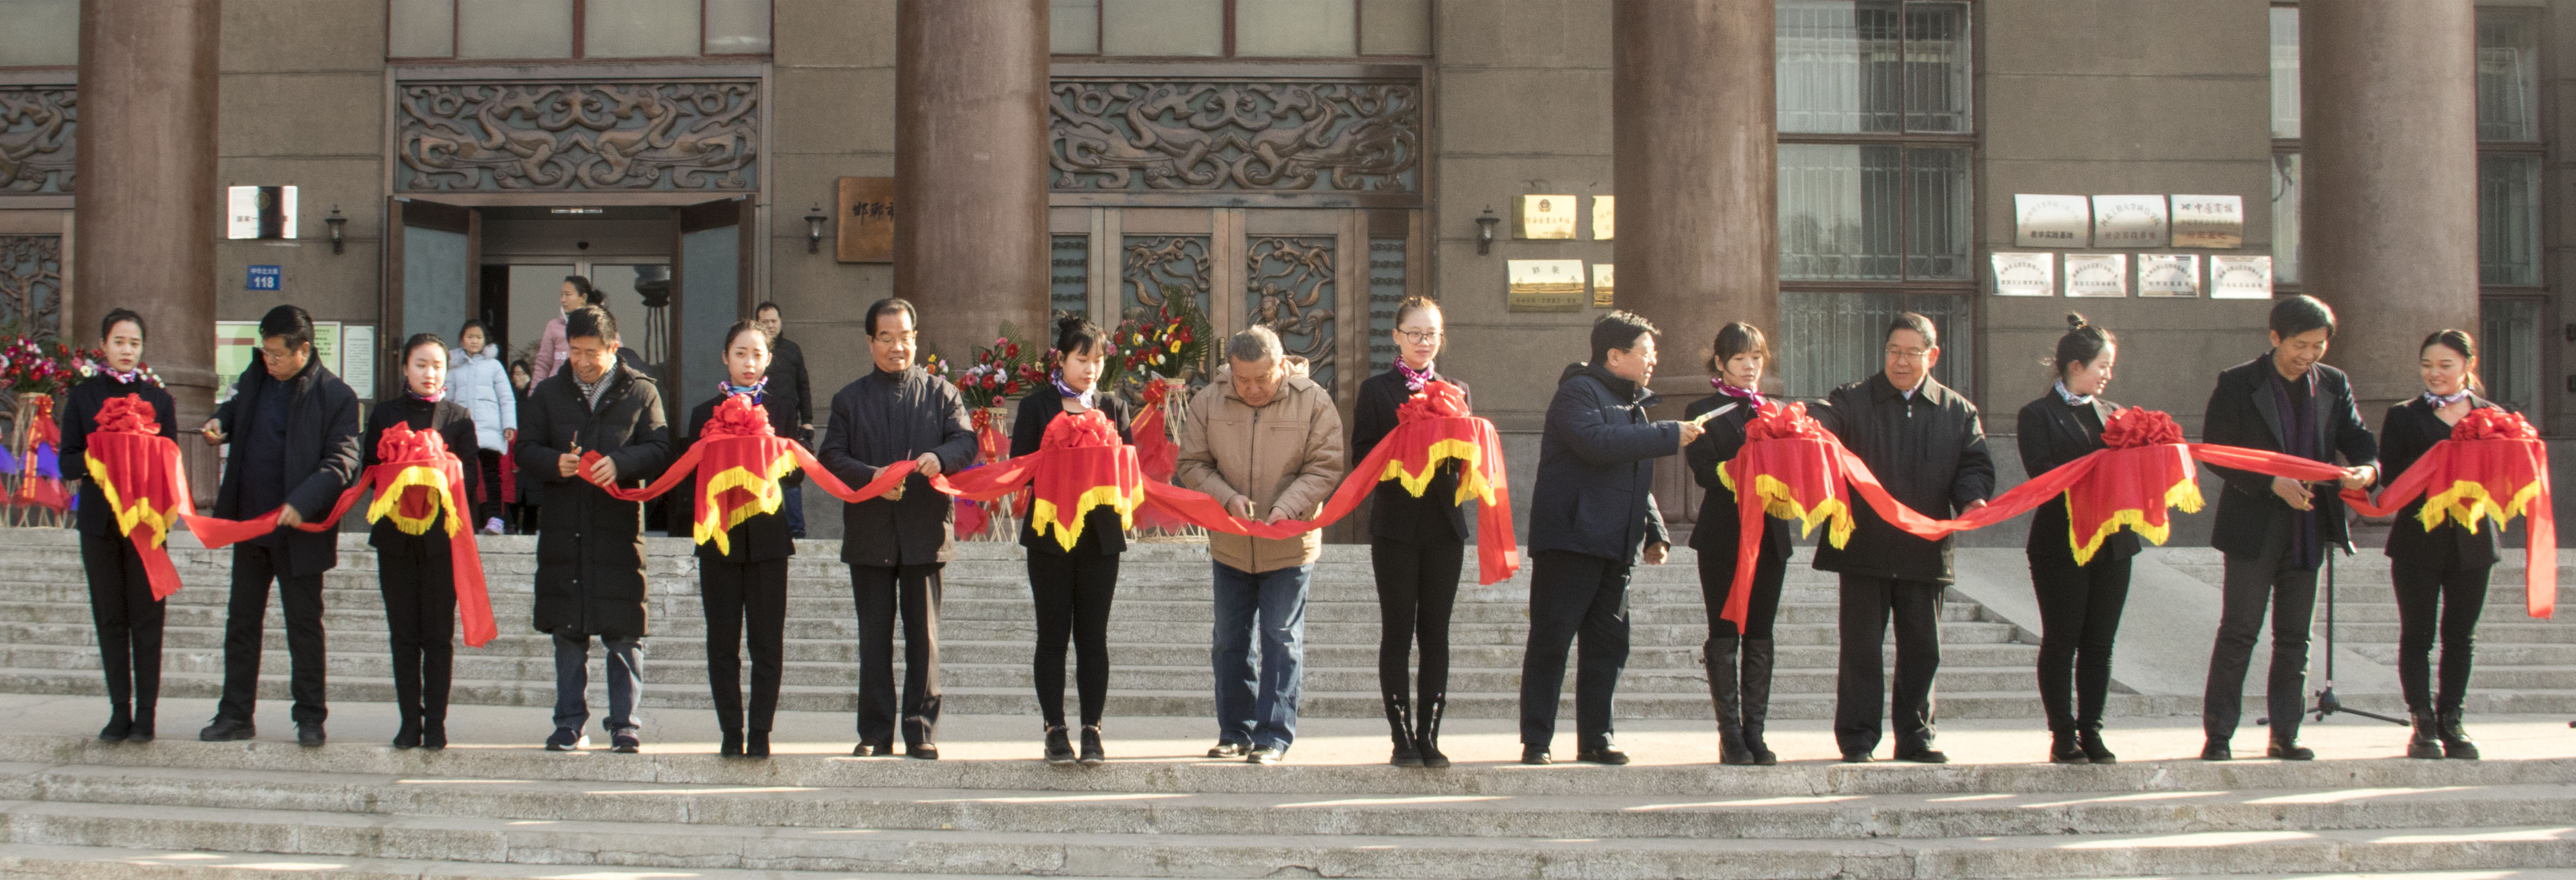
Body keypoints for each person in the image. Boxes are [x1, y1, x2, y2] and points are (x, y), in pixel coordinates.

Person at [2198, 295, 2377, 762]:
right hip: (2253, 525)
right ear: (2275, 337)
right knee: (2240, 631)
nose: (2310, 355)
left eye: (2319, 346)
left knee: (2296, 637)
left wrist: (2367, 470)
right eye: (2301, 345)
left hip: (2309, 526)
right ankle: (2219, 736)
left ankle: (2286, 735)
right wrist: (2269, 482)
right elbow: (2218, 451)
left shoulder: (2334, 383)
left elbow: (2359, 441)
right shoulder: (2238, 383)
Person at [1518, 311, 1700, 766]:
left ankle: (1597, 737)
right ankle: (1537, 741)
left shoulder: (1634, 401)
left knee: (1608, 647)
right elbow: (1597, 443)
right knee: (1552, 642)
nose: (1653, 361)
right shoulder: (1577, 392)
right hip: (1572, 541)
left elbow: (1635, 474)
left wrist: (1654, 532)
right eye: (1646, 353)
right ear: (1615, 356)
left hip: (1616, 547)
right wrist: (1667, 434)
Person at [1811, 312, 1993, 765]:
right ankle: (1857, 738)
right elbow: (1823, 421)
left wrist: (1973, 499)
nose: (1902, 361)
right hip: (1863, 548)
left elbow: (1974, 465)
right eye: (1894, 350)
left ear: (1932, 356)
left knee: (1922, 650)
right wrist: (1804, 422)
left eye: (1913, 352)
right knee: (1860, 651)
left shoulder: (1957, 410)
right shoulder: (1853, 400)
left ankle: (1917, 738)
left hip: (1924, 550)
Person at [1177, 325, 1344, 765]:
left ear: (1282, 366)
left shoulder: (1314, 401)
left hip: (1290, 544)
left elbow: (1325, 466)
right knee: (1229, 640)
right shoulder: (1208, 402)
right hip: (1231, 544)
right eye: (1242, 379)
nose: (1251, 388)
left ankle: (1274, 735)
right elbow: (1192, 464)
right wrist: (1226, 498)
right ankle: (1235, 731)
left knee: (1280, 636)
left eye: (1262, 379)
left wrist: (1288, 507)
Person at [197, 304, 364, 745]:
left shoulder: (336, 396)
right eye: (265, 352)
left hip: (299, 533)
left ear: (303, 350)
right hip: (251, 527)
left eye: (275, 354)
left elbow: (342, 462)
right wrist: (221, 422)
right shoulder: (258, 378)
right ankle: (235, 714)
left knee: (304, 627)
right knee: (242, 623)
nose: (268, 361)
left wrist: (301, 502)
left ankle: (310, 718)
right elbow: (237, 407)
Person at [818, 298, 976, 760]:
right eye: (886, 338)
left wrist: (940, 459)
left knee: (923, 639)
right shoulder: (850, 400)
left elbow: (966, 441)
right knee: (874, 637)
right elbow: (832, 456)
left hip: (924, 533)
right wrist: (872, 477)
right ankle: (874, 732)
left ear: (916, 339)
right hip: (871, 534)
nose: (897, 347)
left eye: (905, 337)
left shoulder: (941, 393)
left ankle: (921, 729)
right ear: (870, 342)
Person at [516, 305, 671, 754]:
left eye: (593, 353)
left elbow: (661, 447)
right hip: (565, 529)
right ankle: (569, 722)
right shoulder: (548, 393)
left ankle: (625, 724)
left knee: (624, 632)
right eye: (576, 351)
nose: (583, 361)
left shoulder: (641, 392)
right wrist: (554, 463)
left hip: (618, 530)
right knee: (568, 630)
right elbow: (525, 447)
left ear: (613, 348)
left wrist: (621, 464)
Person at [1351, 296, 1470, 768]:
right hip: (1396, 526)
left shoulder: (1455, 389)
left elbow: (1467, 458)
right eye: (1415, 334)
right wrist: (1405, 445)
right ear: (1396, 336)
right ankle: (1401, 735)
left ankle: (1431, 734)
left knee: (1436, 632)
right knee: (1398, 631)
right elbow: (1363, 458)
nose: (1424, 343)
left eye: (1433, 335)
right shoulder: (1377, 390)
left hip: (1445, 525)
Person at [674, 321, 799, 759]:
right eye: (740, 353)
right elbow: (687, 473)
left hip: (768, 541)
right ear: (726, 357)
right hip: (719, 541)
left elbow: (799, 473)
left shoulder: (782, 409)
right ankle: (731, 730)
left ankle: (761, 731)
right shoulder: (704, 412)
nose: (749, 363)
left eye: (757, 354)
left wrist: (767, 446)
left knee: (767, 643)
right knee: (722, 642)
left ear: (769, 360)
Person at [1012, 315, 1133, 766]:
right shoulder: (1038, 407)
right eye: (1082, 359)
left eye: (1098, 360)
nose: (1091, 370)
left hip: (1101, 537)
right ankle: (1054, 729)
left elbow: (1128, 472)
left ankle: (1092, 730)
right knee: (1052, 635)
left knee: (1093, 636)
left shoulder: (1114, 407)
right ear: (1060, 360)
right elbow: (1021, 469)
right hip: (1049, 537)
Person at [2015, 314, 2134, 765]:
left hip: (2114, 542)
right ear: (2076, 365)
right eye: (2103, 365)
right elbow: (2042, 475)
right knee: (2062, 638)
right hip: (2060, 543)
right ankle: (2063, 733)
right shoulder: (2037, 415)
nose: (2108, 375)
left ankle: (2093, 730)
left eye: (2110, 367)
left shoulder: (2117, 417)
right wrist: (2099, 469)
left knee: (2100, 642)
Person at [2373, 329, 2494, 760]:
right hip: (2416, 541)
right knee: (2418, 635)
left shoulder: (2493, 416)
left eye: (2445, 365)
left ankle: (2453, 720)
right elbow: (2391, 475)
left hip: (2473, 541)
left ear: (2467, 366)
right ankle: (2422, 723)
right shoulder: (2403, 415)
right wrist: (2439, 466)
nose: (2435, 373)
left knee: (2461, 635)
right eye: (2427, 365)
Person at [60, 308, 177, 742]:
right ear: (104, 346)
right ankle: (119, 711)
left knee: (148, 620)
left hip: (146, 527)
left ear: (142, 348)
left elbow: (170, 463)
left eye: (134, 343)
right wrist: (101, 456)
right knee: (111, 618)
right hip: (99, 524)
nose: (127, 350)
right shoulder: (84, 397)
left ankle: (146, 714)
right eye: (119, 342)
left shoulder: (159, 400)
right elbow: (67, 460)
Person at [365, 333, 481, 751]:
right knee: (403, 634)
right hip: (395, 540)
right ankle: (408, 721)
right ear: (405, 368)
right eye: (421, 365)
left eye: (437, 366)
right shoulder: (384, 415)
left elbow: (471, 482)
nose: (429, 374)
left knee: (437, 635)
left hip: (440, 543)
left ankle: (436, 722)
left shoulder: (459, 418)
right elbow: (369, 471)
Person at [1682, 322, 1790, 766]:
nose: (1750, 367)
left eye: (1757, 358)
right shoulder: (1703, 410)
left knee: (1761, 634)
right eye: (1741, 358)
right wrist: (1747, 464)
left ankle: (1755, 734)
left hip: (1770, 536)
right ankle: (1731, 737)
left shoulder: (1777, 412)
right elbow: (1704, 471)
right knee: (1726, 633)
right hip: (1724, 537)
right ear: (1721, 363)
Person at [754, 301, 814, 539]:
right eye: (765, 322)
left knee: (791, 476)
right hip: (759, 424)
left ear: (781, 322)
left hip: (789, 424)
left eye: (774, 321)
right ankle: (767, 528)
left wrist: (807, 421)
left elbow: (804, 387)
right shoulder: (755, 350)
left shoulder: (792, 350)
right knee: (763, 475)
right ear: (757, 323)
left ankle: (796, 530)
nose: (770, 326)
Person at [450, 321, 515, 535]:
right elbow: (447, 399)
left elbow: (506, 398)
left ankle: (495, 519)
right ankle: (461, 518)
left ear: (485, 340)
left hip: (489, 431)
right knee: (462, 476)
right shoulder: (454, 367)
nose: (474, 341)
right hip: (463, 430)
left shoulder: (494, 366)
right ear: (462, 340)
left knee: (491, 477)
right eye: (470, 337)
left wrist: (509, 424)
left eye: (478, 337)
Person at [530, 275, 600, 384]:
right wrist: (535, 396)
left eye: (568, 295)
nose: (563, 300)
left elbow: (615, 356)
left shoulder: (600, 325)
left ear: (583, 297)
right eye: (562, 295)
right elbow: (542, 365)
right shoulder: (553, 326)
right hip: (556, 392)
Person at [507, 358, 538, 534]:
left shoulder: (534, 397)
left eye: (523, 373)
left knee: (532, 498)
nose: (520, 378)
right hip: (513, 450)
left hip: (531, 451)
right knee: (513, 496)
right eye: (516, 374)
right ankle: (511, 529)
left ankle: (530, 532)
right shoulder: (509, 396)